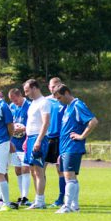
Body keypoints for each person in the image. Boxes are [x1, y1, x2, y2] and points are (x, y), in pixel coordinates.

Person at [52, 84, 99, 213]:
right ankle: (74, 206)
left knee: (69, 177)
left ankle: (67, 206)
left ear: (67, 93)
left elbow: (93, 121)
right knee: (71, 177)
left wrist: (81, 136)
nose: (59, 101)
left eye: (60, 97)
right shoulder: (67, 107)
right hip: (65, 148)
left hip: (72, 147)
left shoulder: (77, 105)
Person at [23, 79, 51, 209]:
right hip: (30, 138)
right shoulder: (33, 103)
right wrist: (26, 138)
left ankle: (40, 201)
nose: (26, 94)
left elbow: (46, 123)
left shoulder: (44, 102)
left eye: (27, 91)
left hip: (38, 138)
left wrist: (39, 140)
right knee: (32, 171)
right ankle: (37, 199)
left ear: (34, 88)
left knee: (39, 170)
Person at [45, 77, 67, 207]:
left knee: (60, 169)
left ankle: (61, 197)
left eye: (56, 86)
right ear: (49, 87)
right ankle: (39, 198)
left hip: (60, 138)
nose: (54, 88)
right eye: (52, 86)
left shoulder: (64, 101)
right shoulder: (46, 101)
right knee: (39, 168)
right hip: (46, 138)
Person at [8, 88, 31, 205]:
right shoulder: (11, 107)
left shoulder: (29, 106)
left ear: (20, 95)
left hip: (26, 143)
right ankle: (21, 195)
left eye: (15, 99)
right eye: (12, 100)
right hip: (15, 143)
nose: (14, 102)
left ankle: (25, 197)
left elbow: (34, 124)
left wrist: (24, 129)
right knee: (17, 170)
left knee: (26, 168)